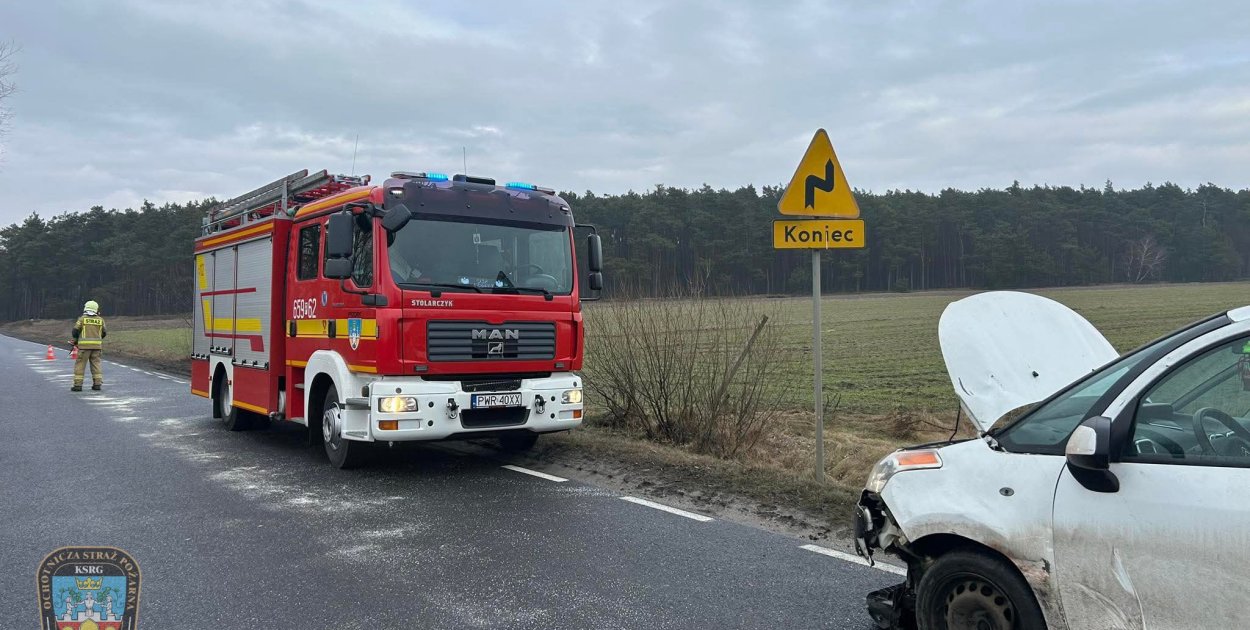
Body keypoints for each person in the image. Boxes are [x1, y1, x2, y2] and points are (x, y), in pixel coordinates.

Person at [71, 300, 107, 391]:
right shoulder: (100, 320)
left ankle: (78, 385)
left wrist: (76, 340)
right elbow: (104, 333)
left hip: (84, 347)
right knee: (96, 364)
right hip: (97, 347)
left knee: (80, 364)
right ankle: (97, 384)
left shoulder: (82, 319)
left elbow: (75, 331)